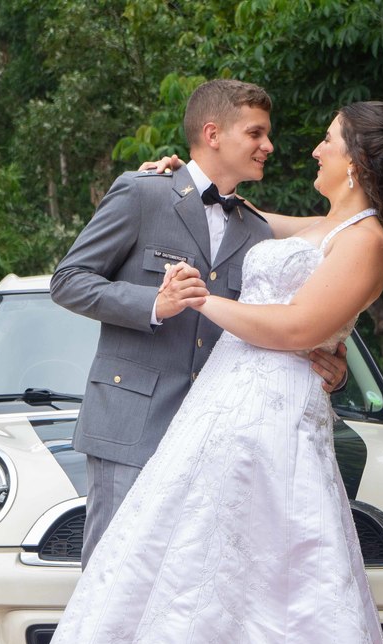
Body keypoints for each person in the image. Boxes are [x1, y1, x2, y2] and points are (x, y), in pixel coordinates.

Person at [2, 100, 383, 644]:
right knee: (167, 578)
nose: (308, 149)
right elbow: (223, 212)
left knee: (266, 587)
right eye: (261, 133)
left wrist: (203, 302)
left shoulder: (367, 240)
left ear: (357, 161)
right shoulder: (308, 224)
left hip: (270, 420)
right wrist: (169, 179)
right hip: (209, 414)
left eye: (327, 140)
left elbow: (299, 325)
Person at [48, 78, 347, 568]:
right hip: (131, 424)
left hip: (217, 438)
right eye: (255, 133)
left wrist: (329, 363)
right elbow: (68, 281)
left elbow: (276, 321)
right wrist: (155, 303)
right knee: (112, 575)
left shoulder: (258, 231)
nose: (268, 146)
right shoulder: (141, 193)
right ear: (213, 134)